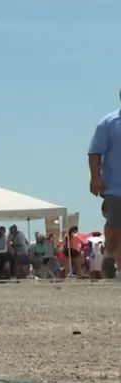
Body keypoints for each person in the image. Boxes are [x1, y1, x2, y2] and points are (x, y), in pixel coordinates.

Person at [88, 89, 121, 281]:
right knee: (116, 226)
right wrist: (95, 177)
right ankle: (109, 254)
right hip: (115, 186)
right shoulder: (108, 123)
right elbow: (95, 152)